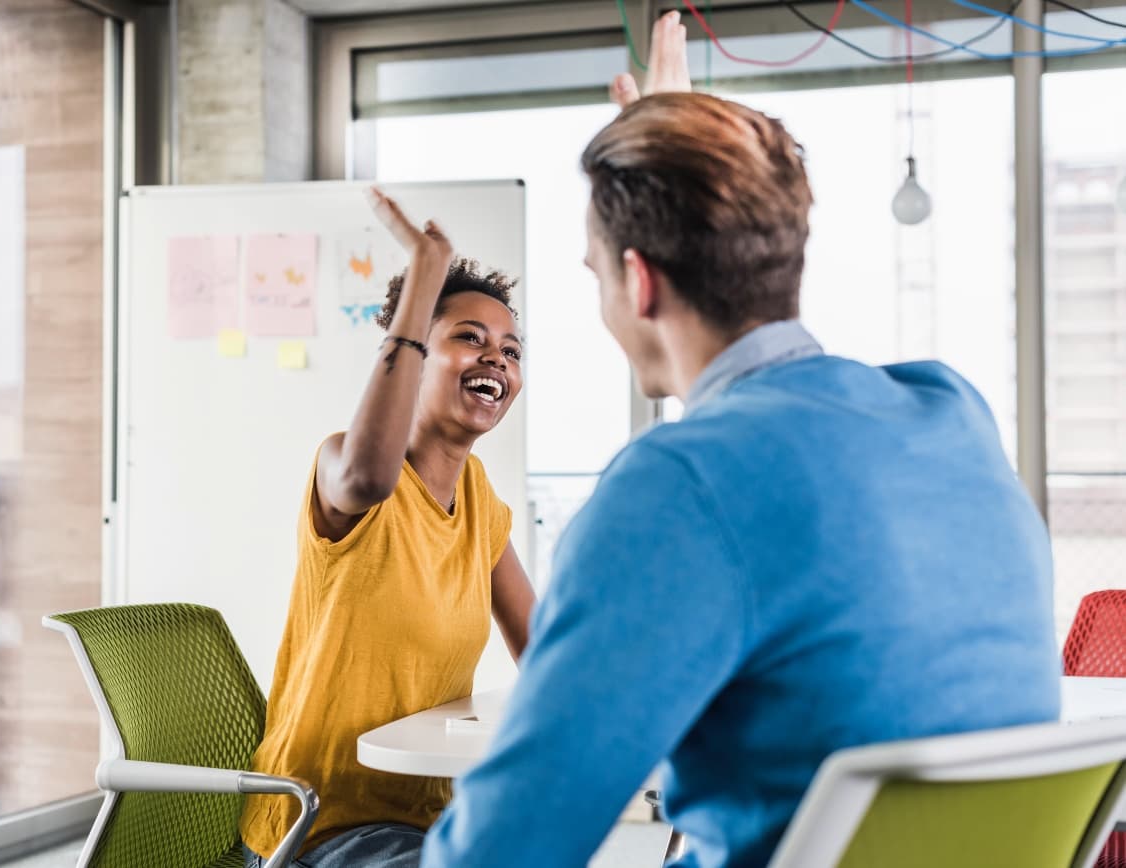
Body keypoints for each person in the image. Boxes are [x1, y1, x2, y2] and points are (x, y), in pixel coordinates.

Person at [420, 12, 1061, 868]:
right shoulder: (951, 416)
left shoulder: (672, 488)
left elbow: (499, 851)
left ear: (638, 281)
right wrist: (689, 166)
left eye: (594, 271)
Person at [240, 188, 536, 867]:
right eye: (468, 338)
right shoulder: (346, 465)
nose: (497, 359)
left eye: (511, 350)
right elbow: (370, 477)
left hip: (429, 816)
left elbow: (543, 650)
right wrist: (426, 271)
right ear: (414, 358)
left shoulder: (479, 501)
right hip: (318, 825)